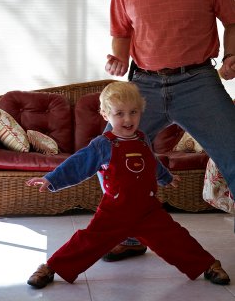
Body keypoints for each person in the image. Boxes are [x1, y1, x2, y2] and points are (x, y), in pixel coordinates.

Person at [104, 0, 235, 262]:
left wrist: (229, 57)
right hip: (143, 86)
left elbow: (232, 22)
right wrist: (118, 56)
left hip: (198, 81)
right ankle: (129, 235)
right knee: (108, 157)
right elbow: (120, 33)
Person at [26, 82, 229, 289]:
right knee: (86, 242)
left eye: (133, 112)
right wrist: (52, 179)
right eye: (120, 113)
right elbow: (78, 164)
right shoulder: (103, 144)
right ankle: (51, 267)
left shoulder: (142, 139)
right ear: (106, 115)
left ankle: (208, 265)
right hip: (114, 212)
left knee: (176, 239)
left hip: (148, 210)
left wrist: (166, 177)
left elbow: (150, 163)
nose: (128, 119)